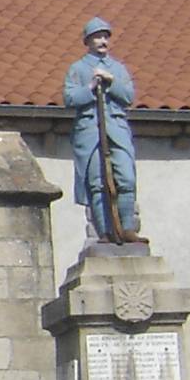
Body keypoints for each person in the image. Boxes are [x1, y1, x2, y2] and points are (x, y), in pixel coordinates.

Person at [63, 17, 144, 244]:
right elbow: (69, 98)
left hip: (116, 128)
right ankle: (105, 232)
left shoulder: (118, 68)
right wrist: (89, 88)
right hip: (90, 130)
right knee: (97, 183)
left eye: (105, 36)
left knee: (125, 178)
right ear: (88, 41)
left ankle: (127, 228)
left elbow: (128, 96)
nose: (102, 41)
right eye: (97, 36)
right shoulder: (77, 69)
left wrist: (111, 81)